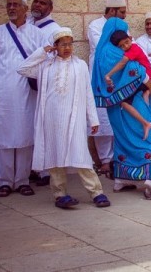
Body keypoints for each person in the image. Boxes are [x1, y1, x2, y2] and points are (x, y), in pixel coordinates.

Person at [17, 28, 111, 208]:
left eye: (70, 44)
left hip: (74, 118)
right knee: (55, 156)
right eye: (63, 44)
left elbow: (87, 93)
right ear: (55, 46)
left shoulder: (80, 65)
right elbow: (22, 69)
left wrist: (93, 119)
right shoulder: (46, 66)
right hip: (51, 119)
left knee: (81, 154)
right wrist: (43, 52)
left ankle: (96, 192)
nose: (67, 48)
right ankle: (60, 195)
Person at [92, 17, 151, 199]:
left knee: (122, 137)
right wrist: (149, 85)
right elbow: (136, 71)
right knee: (144, 134)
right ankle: (149, 178)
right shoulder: (117, 53)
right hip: (135, 99)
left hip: (113, 105)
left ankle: (121, 179)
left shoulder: (102, 53)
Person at [0, 0, 44, 197]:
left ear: (25, 9)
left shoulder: (37, 34)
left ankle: (22, 180)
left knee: (25, 134)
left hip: (26, 92)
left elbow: (43, 63)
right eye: (9, 5)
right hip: (2, 92)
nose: (11, 8)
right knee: (2, 136)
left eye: (15, 5)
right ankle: (3, 181)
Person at [87, 0, 127, 176]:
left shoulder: (121, 26)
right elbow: (108, 46)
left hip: (118, 76)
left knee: (120, 116)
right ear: (112, 11)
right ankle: (104, 160)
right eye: (122, 12)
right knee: (102, 119)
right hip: (101, 78)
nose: (125, 15)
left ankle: (118, 158)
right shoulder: (95, 26)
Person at [27, 0, 61, 186]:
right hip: (25, 83)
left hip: (43, 84)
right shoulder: (26, 25)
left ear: (50, 8)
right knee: (30, 125)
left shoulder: (53, 29)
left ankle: (47, 171)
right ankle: (33, 167)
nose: (38, 5)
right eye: (36, 1)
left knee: (45, 125)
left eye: (42, 3)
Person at [105, 30, 151, 140]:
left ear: (131, 38)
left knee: (124, 102)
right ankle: (146, 121)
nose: (125, 46)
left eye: (126, 42)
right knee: (142, 100)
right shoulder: (132, 48)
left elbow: (123, 63)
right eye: (122, 46)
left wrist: (108, 75)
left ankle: (145, 123)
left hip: (144, 80)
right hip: (144, 81)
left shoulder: (134, 48)